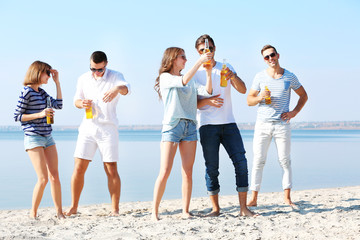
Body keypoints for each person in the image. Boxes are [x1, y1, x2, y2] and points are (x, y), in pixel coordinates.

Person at [194, 34, 256, 217]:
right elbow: (193, 102)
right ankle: (215, 209)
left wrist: (233, 76)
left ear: (215, 49)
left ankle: (243, 208)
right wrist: (208, 102)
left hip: (229, 124)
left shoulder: (226, 67)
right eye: (203, 50)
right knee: (211, 168)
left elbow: (243, 90)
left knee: (241, 163)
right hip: (207, 126)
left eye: (210, 48)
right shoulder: (194, 71)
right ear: (198, 52)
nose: (207, 52)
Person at [65, 51, 130, 216]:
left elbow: (126, 89)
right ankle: (73, 207)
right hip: (88, 127)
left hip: (108, 128)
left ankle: (114, 209)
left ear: (106, 64)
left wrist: (116, 89)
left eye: (99, 70)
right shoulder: (83, 78)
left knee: (110, 168)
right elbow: (76, 101)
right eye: (93, 69)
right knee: (79, 167)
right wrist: (82, 103)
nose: (96, 73)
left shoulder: (116, 76)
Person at [152, 47, 213, 221]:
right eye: (182, 57)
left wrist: (208, 73)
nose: (185, 60)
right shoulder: (166, 78)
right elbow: (184, 81)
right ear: (172, 59)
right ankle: (154, 212)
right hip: (172, 126)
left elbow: (207, 91)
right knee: (165, 171)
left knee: (188, 171)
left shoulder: (189, 79)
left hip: (190, 126)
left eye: (186, 58)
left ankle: (185, 210)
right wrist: (199, 62)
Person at [247, 45, 308, 208]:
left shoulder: (289, 76)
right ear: (264, 60)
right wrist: (260, 97)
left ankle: (287, 198)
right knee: (258, 161)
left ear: (278, 55)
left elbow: (303, 95)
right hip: (263, 125)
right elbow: (249, 100)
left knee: (284, 160)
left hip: (282, 125)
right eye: (266, 57)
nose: (270, 59)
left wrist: (294, 112)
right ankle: (253, 198)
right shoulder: (259, 77)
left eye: (272, 55)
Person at [14, 61, 64, 219]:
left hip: (47, 136)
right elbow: (17, 116)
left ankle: (59, 212)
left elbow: (59, 105)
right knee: (42, 179)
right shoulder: (26, 92)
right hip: (33, 137)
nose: (49, 76)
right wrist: (40, 114)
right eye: (47, 73)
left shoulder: (41, 93)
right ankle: (33, 213)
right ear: (38, 72)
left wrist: (57, 82)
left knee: (54, 176)